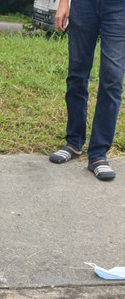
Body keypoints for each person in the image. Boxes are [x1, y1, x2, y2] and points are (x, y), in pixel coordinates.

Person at [49, 0, 125, 181]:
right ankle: (73, 142)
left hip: (119, 7)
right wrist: (63, 3)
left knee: (112, 79)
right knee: (76, 73)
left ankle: (98, 154)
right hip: (84, 4)